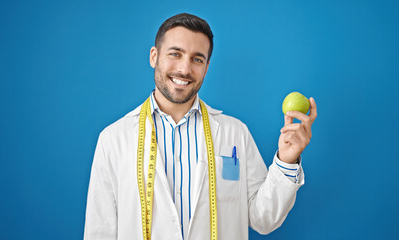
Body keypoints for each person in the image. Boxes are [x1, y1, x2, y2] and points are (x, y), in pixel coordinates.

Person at [84, 13, 317, 240]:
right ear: (154, 56)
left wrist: (286, 161)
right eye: (175, 54)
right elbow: (99, 230)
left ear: (206, 66)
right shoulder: (113, 138)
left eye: (197, 59)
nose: (185, 69)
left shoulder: (235, 133)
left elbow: (263, 219)